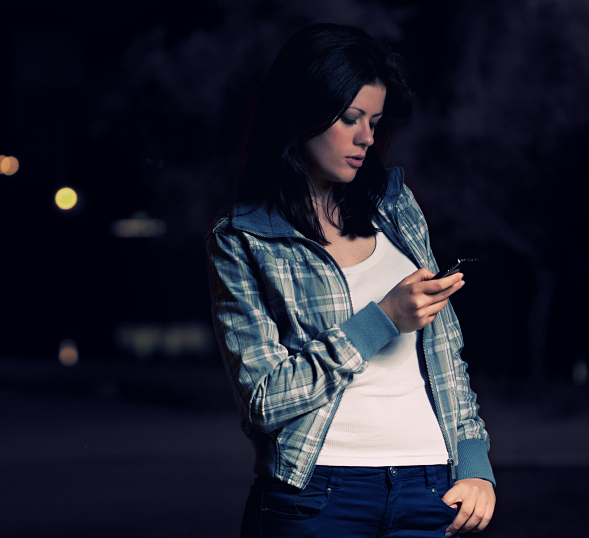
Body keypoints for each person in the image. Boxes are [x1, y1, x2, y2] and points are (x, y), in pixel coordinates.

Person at [206, 24, 495, 538]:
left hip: (430, 488)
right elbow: (264, 400)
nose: (367, 138)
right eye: (350, 118)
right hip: (314, 496)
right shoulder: (243, 238)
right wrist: (383, 320)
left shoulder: (396, 205)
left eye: (375, 122)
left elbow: (445, 352)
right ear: (301, 113)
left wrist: (475, 464)